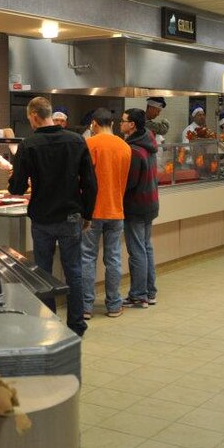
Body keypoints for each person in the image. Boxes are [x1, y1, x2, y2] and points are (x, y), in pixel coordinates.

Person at [9, 96, 97, 336]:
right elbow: (90, 182)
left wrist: (16, 182)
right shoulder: (76, 140)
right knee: (74, 271)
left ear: (35, 116)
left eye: (29, 118)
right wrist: (87, 213)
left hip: (42, 218)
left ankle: (49, 322)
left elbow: (16, 187)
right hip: (70, 216)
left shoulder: (29, 144)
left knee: (43, 273)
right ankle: (77, 325)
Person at [80, 109, 131, 319]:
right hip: (116, 209)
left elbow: (82, 179)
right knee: (114, 258)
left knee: (87, 258)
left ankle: (85, 307)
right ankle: (113, 305)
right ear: (112, 122)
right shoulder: (125, 147)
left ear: (94, 124)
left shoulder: (90, 145)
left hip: (92, 211)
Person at [120, 109, 160, 308]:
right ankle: (150, 292)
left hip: (136, 205)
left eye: (123, 121)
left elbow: (130, 183)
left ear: (132, 125)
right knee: (146, 247)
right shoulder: (149, 142)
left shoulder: (134, 150)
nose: (121, 124)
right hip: (150, 203)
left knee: (137, 250)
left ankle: (138, 295)